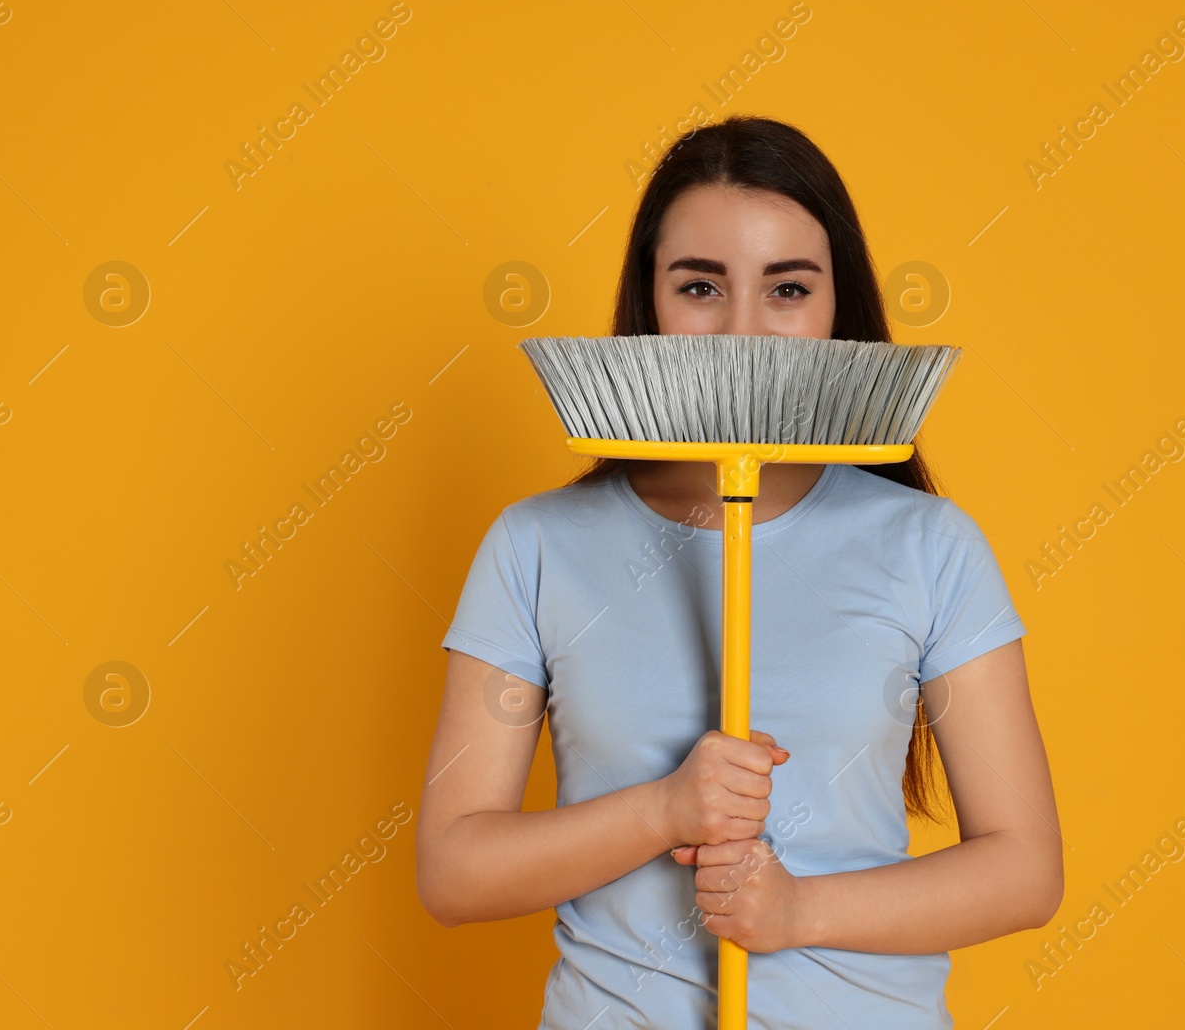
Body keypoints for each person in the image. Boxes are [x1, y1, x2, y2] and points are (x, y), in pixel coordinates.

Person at [416, 115, 1063, 1029]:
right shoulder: (535, 546)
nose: (744, 329)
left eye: (788, 288)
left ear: (839, 308)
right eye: (701, 286)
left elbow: (1025, 869)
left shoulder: (930, 546)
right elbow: (454, 871)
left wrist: (800, 911)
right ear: (650, 300)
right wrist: (664, 810)